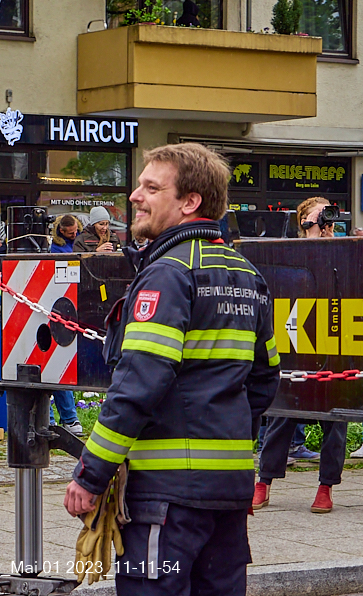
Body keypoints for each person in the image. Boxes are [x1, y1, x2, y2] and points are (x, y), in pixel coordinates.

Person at [64, 143, 279, 595]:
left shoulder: (169, 273)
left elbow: (138, 384)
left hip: (166, 500)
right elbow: (263, 383)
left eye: (151, 187)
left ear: (189, 202)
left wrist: (91, 474)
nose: (136, 196)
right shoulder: (248, 276)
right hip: (228, 496)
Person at [253, 196, 348, 515]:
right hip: (295, 342)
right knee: (282, 413)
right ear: (303, 220)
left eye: (327, 214)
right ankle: (263, 482)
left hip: (333, 342)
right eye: (317, 215)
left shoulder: (343, 250)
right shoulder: (289, 251)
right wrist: (312, 236)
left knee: (335, 417)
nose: (324, 220)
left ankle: (325, 487)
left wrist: (335, 245)